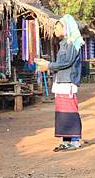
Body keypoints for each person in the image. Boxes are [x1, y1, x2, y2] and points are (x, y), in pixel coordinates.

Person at [35, 15, 84, 151]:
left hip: (68, 81)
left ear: (66, 28)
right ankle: (66, 139)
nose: (55, 29)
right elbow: (62, 63)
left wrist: (49, 65)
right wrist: (47, 64)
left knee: (70, 111)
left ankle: (74, 140)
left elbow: (66, 62)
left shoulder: (73, 43)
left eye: (57, 26)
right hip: (62, 81)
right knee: (62, 112)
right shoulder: (64, 43)